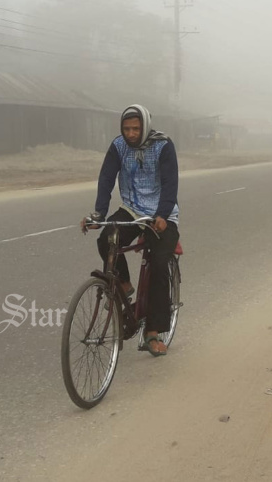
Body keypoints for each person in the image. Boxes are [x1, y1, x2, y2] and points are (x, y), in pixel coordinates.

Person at [80, 104, 181, 357]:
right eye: (126, 128)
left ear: (145, 126)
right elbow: (106, 179)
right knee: (106, 239)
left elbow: (170, 183)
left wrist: (162, 214)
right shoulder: (118, 146)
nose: (131, 133)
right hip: (132, 210)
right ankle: (124, 284)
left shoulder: (163, 145)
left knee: (159, 265)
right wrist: (98, 214)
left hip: (161, 214)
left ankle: (153, 332)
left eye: (136, 128)